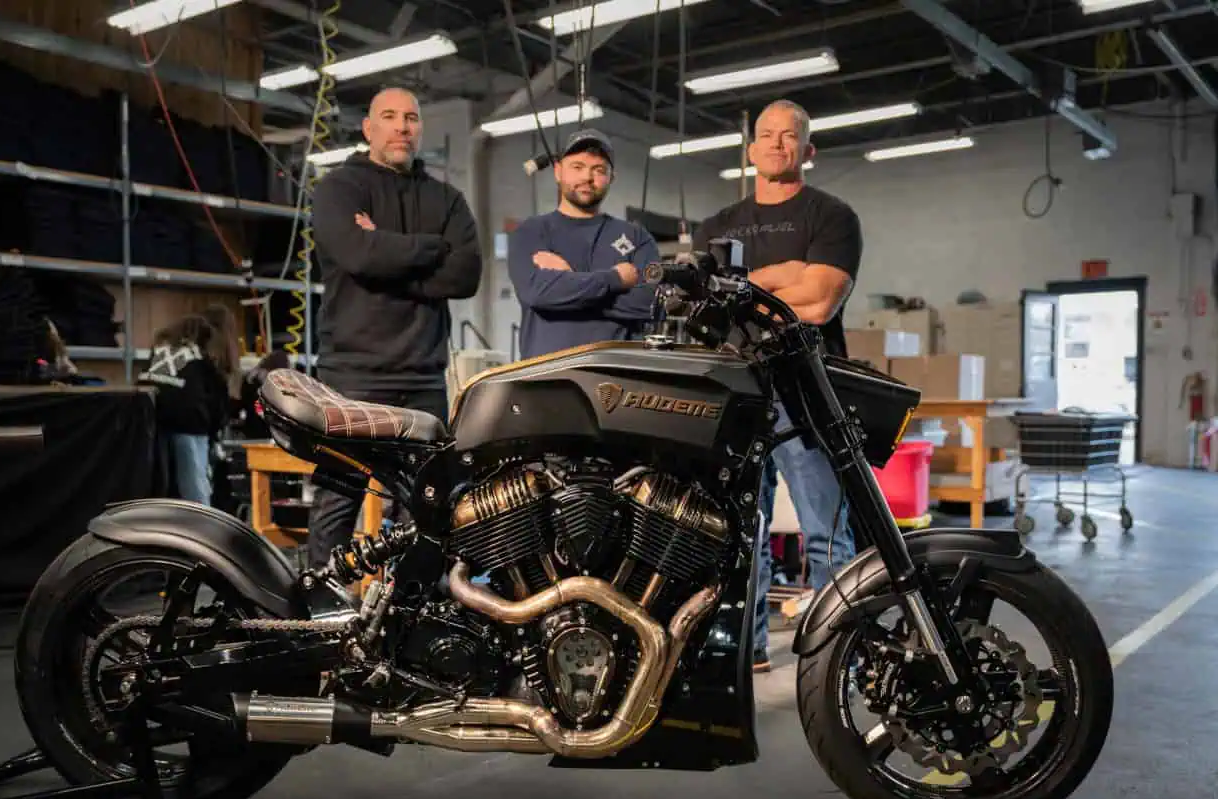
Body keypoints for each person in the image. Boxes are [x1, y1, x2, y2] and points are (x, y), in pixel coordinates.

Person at [692, 99, 863, 673]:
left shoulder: (832, 217)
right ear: (750, 150)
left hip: (806, 389)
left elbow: (817, 302)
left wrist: (746, 285)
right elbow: (704, 310)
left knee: (825, 531)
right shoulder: (717, 226)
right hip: (736, 391)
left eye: (789, 136)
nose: (776, 143)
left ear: (807, 151)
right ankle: (749, 649)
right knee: (741, 532)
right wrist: (787, 274)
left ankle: (842, 652)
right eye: (766, 135)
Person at [306, 86, 483, 568]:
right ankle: (321, 609)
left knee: (426, 509)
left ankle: (409, 618)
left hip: (425, 379)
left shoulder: (446, 198)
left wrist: (385, 249)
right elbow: (358, 255)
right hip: (353, 378)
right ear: (369, 128)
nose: (402, 126)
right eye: (390, 116)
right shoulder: (340, 189)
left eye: (411, 118)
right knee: (338, 499)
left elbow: (466, 276)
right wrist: (431, 249)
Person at [507, 129, 659, 358]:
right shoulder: (531, 232)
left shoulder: (637, 238)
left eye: (598, 170)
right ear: (558, 172)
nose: (587, 177)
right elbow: (537, 293)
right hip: (547, 378)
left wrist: (569, 283)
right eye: (577, 167)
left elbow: (651, 304)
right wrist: (615, 279)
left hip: (616, 379)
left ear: (611, 178)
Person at [139, 314, 230, 506]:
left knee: (160, 486)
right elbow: (217, 396)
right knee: (194, 488)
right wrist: (216, 429)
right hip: (191, 425)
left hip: (154, 424)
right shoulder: (199, 356)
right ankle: (201, 529)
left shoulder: (158, 351)